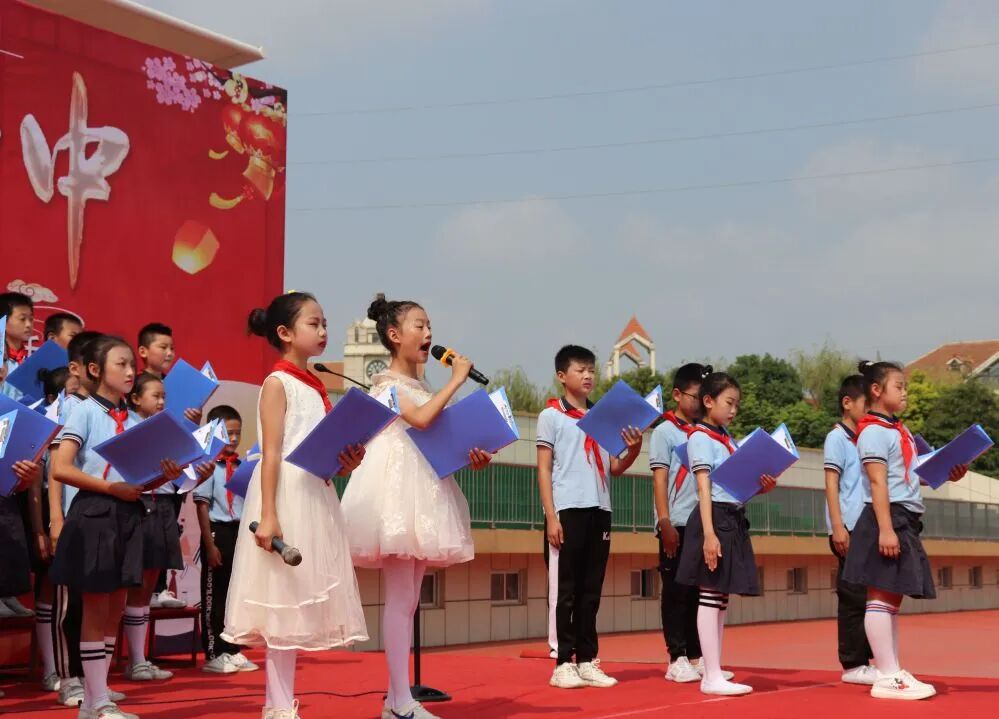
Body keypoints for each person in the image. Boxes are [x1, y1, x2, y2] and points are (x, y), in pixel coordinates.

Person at [341, 293, 491, 719]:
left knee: (408, 600)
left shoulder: (424, 387)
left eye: (429, 327)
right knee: (400, 597)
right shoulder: (385, 383)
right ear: (394, 335)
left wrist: (472, 455)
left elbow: (438, 434)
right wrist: (457, 379)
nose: (428, 334)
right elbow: (421, 419)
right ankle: (399, 700)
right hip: (394, 491)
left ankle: (397, 699)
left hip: (424, 487)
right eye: (419, 326)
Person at [223, 292, 368, 719]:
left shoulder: (315, 384)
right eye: (313, 323)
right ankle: (278, 706)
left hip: (315, 492)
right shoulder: (277, 383)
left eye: (325, 324)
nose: (323, 332)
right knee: (281, 603)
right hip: (286, 494)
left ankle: (282, 703)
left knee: (297, 604)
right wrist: (269, 515)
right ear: (285, 333)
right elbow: (271, 453)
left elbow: (319, 449)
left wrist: (346, 462)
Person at [843, 361, 966, 701]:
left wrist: (946, 471)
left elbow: (909, 476)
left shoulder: (899, 430)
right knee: (881, 596)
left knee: (891, 598)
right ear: (876, 390)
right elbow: (878, 482)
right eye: (899, 386)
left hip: (902, 516)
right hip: (887, 517)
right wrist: (886, 529)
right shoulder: (873, 432)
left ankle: (892, 669)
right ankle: (887, 675)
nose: (905, 392)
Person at [538, 345, 643, 690]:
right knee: (565, 590)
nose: (587, 376)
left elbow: (615, 467)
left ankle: (586, 659)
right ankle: (562, 662)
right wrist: (551, 516)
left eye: (591, 371)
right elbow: (543, 468)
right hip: (568, 508)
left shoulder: (604, 417)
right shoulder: (551, 415)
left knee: (591, 590)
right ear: (561, 375)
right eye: (580, 370)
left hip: (600, 509)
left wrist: (634, 450)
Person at [676, 372, 777, 697]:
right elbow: (703, 488)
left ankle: (715, 668)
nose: (734, 410)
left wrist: (761, 487)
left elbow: (734, 486)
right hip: (714, 518)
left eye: (737, 405)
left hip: (731, 516)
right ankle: (710, 674)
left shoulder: (727, 438)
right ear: (708, 401)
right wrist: (709, 534)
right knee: (710, 595)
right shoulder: (700, 437)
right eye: (729, 403)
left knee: (720, 598)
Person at [194, 405, 258, 674]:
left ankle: (232, 649)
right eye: (228, 433)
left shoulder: (243, 466)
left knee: (235, 595)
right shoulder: (208, 466)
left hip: (238, 532)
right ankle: (213, 652)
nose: (233, 438)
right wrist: (209, 545)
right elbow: (202, 506)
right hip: (217, 532)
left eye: (237, 433)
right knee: (215, 595)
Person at [823, 375, 875, 685]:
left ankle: (868, 659)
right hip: (848, 527)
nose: (870, 411)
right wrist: (838, 527)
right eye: (866, 405)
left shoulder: (867, 438)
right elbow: (831, 483)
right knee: (853, 595)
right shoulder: (837, 438)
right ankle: (853, 663)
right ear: (847, 403)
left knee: (870, 596)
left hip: (867, 526)